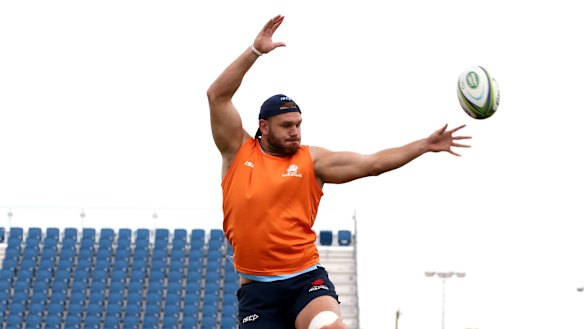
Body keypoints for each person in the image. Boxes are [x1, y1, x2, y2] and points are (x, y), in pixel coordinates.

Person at [206, 15, 471, 329]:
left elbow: (371, 164)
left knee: (331, 327)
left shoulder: (312, 161)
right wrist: (255, 50)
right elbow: (216, 96)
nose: (295, 132)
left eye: (299, 125)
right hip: (258, 291)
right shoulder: (238, 151)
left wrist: (424, 145)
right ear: (264, 126)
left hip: (306, 281)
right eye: (287, 126)